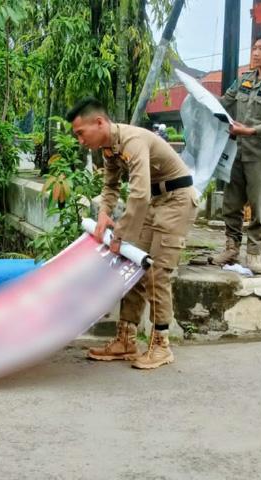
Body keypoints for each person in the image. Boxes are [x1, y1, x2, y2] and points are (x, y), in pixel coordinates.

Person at [66, 98, 197, 369]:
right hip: (153, 202)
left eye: (81, 133)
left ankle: (161, 346)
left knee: (157, 273)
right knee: (134, 267)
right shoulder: (108, 148)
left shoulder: (133, 141)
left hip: (176, 201)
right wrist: (104, 213)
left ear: (99, 122)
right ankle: (125, 341)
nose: (80, 140)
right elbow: (111, 186)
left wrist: (120, 235)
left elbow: (138, 193)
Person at [212, 31, 261, 274]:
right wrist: (203, 101)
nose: (255, 52)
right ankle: (231, 248)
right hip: (236, 150)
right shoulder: (244, 79)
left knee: (258, 206)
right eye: (254, 48)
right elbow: (224, 101)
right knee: (231, 203)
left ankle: (254, 253)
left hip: (259, 152)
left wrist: (249, 130)